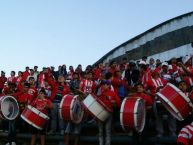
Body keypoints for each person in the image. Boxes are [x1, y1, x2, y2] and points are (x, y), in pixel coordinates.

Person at [97, 73, 121, 145]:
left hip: (109, 113)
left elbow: (119, 102)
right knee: (100, 131)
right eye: (103, 84)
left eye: (106, 84)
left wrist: (113, 101)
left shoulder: (113, 93)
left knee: (107, 130)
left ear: (109, 85)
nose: (104, 86)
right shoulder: (101, 94)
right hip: (101, 113)